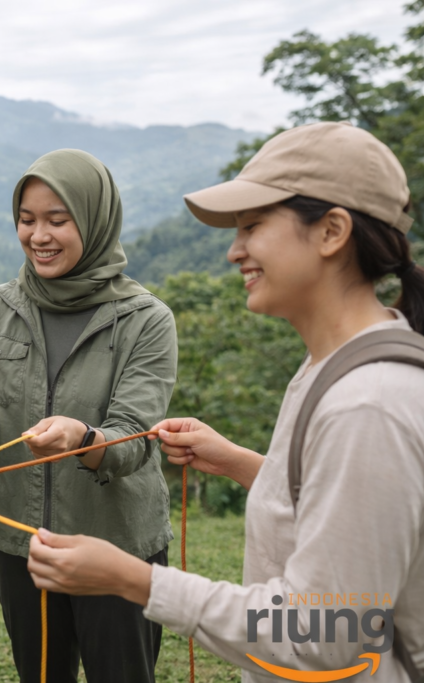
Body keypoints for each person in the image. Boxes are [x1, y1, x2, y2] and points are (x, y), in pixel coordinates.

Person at [26, 123, 424, 682]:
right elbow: (341, 505)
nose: (236, 250)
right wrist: (238, 461)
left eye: (254, 226)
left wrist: (134, 579)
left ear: (332, 231)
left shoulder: (367, 403)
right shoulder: (329, 368)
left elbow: (329, 634)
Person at [0, 149, 178, 682]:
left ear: (95, 221)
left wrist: (81, 436)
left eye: (58, 220)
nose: (39, 235)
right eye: (27, 219)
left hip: (117, 543)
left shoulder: (146, 320)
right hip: (22, 543)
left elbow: (135, 438)